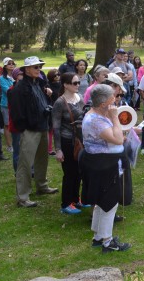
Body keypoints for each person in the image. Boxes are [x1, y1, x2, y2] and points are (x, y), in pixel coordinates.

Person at [80, 84, 131, 252]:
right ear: (103, 103)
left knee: (102, 201)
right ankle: (108, 242)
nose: (115, 101)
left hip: (103, 163)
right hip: (103, 165)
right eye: (113, 98)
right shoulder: (95, 120)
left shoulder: (99, 114)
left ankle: (98, 236)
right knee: (110, 201)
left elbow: (115, 135)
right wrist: (115, 118)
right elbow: (117, 140)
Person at [9, 56, 58, 208]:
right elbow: (16, 113)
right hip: (30, 130)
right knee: (25, 163)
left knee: (42, 159)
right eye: (36, 67)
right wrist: (25, 127)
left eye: (39, 67)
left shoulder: (40, 84)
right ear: (27, 69)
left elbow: (44, 103)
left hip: (43, 126)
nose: (39, 69)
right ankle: (23, 197)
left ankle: (42, 186)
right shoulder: (19, 88)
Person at [52, 73, 86, 214]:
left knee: (79, 171)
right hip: (67, 141)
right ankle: (66, 204)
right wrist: (58, 149)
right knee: (69, 172)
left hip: (79, 140)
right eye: (74, 83)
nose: (77, 85)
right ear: (65, 84)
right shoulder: (60, 102)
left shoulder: (79, 98)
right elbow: (56, 127)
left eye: (78, 82)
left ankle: (75, 199)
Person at [0, 57, 16, 153]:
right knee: (7, 125)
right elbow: (8, 91)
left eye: (13, 63)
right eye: (9, 63)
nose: (11, 65)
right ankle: (10, 145)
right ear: (5, 66)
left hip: (16, 104)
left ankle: (16, 142)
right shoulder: (2, 78)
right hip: (6, 104)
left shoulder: (16, 75)